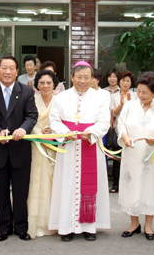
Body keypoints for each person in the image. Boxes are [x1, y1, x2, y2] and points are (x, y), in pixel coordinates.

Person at [48, 61, 111, 242]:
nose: (83, 81)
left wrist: (90, 133)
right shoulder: (60, 97)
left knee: (90, 187)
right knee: (67, 185)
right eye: (80, 77)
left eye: (87, 77)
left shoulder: (102, 97)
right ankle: (66, 227)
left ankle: (89, 227)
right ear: (72, 77)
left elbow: (104, 122)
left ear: (92, 79)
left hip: (90, 145)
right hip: (68, 146)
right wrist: (66, 133)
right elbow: (54, 120)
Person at [0, 56, 38, 242]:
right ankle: (4, 228)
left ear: (17, 71)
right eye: (4, 68)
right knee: (1, 193)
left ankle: (21, 227)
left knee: (21, 192)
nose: (8, 72)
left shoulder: (26, 91)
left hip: (20, 150)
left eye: (11, 68)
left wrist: (23, 129)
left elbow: (31, 115)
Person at [117, 71, 154, 240]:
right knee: (131, 187)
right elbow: (121, 126)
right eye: (139, 91)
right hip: (131, 155)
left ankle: (148, 225)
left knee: (150, 188)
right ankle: (134, 223)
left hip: (151, 157)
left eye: (145, 93)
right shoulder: (129, 106)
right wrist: (125, 138)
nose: (140, 95)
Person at [27, 69, 59, 238]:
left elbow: (64, 122)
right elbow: (28, 120)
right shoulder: (31, 101)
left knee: (53, 182)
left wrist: (53, 133)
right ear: (36, 85)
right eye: (42, 83)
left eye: (49, 82)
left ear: (54, 85)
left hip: (54, 148)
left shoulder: (60, 102)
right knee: (36, 182)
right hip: (35, 146)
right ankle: (36, 224)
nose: (45, 86)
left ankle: (53, 222)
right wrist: (40, 135)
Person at [109, 71, 138, 193]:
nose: (125, 83)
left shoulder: (136, 96)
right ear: (119, 82)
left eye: (128, 81)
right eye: (123, 80)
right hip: (118, 131)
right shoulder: (113, 96)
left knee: (132, 159)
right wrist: (121, 104)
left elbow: (138, 114)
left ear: (131, 83)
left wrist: (130, 103)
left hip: (132, 132)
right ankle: (116, 184)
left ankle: (131, 185)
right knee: (117, 159)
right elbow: (112, 114)